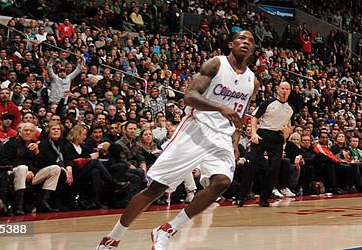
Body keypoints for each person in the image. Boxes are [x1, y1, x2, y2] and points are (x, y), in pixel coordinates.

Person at [96, 30, 258, 250]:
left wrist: (235, 140)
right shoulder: (216, 64)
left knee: (222, 182)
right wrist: (219, 106)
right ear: (231, 44)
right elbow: (189, 97)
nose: (245, 43)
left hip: (222, 137)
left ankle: (167, 230)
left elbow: (240, 113)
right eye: (241, 39)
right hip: (196, 130)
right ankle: (112, 238)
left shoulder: (252, 81)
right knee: (156, 189)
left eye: (250, 41)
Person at [240, 81, 295, 206]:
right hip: (262, 135)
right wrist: (254, 133)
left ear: (290, 91)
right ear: (277, 89)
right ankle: (241, 196)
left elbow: (291, 126)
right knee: (252, 164)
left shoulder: (290, 108)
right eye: (282, 88)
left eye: (287, 89)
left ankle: (264, 198)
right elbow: (254, 118)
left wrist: (288, 132)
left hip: (277, 138)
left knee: (274, 168)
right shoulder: (268, 103)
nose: (284, 91)